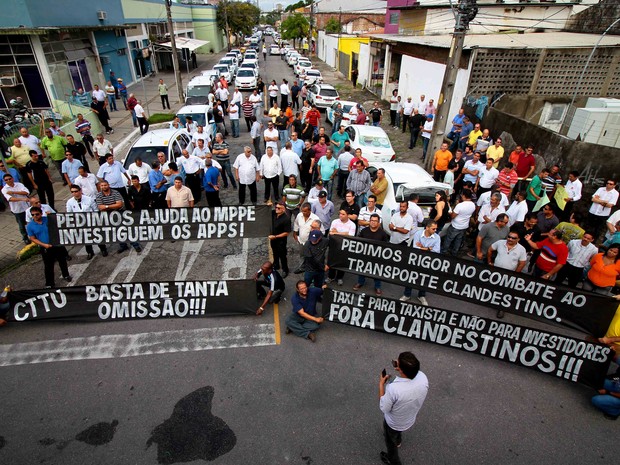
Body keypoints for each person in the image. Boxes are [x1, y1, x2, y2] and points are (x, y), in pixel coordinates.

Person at [379, 352, 428, 465]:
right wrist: (402, 369)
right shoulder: (423, 378)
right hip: (409, 418)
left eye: (398, 363)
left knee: (390, 442)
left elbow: (384, 408)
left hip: (393, 422)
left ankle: (393, 461)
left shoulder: (393, 389)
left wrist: (381, 384)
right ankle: (398, 441)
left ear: (401, 370)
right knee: (397, 432)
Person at [27, 206, 72, 288]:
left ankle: (66, 275)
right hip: (45, 247)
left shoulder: (48, 219)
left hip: (56, 244)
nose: (35, 216)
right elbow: (32, 238)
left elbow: (59, 223)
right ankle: (50, 283)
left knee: (62, 261)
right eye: (32, 215)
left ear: (41, 213)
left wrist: (52, 215)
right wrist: (44, 245)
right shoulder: (30, 226)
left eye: (37, 214)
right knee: (48, 266)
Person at [400, 220, 441, 305]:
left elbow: (436, 251)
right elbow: (415, 248)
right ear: (427, 228)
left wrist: (423, 247)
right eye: (433, 229)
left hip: (429, 262)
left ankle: (421, 295)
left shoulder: (437, 237)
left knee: (425, 279)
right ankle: (407, 294)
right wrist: (429, 248)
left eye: (436, 229)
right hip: (416, 260)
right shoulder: (418, 234)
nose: (435, 231)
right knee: (411, 277)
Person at [66, 184, 108, 259]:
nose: (74, 193)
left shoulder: (89, 199)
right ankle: (89, 252)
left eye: (76, 191)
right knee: (86, 239)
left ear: (80, 191)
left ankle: (103, 249)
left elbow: (95, 210)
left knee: (97, 236)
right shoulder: (69, 202)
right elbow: (69, 213)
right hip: (80, 223)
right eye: (72, 192)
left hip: (91, 221)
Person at [354, 213, 389, 295]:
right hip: (364, 256)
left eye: (375, 221)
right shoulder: (364, 231)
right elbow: (359, 243)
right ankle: (360, 282)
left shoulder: (383, 233)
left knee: (376, 272)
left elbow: (386, 246)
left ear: (378, 223)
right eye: (372, 221)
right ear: (369, 221)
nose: (373, 222)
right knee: (362, 270)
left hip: (377, 258)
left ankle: (377, 287)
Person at [442, 189, 476, 256]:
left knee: (449, 239)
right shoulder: (473, 205)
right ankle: (454, 253)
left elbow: (453, 216)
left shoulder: (460, 205)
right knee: (458, 240)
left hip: (456, 226)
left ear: (463, 195)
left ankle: (444, 251)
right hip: (464, 226)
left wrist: (450, 212)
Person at [2, 173, 31, 244]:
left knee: (30, 221)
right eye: (6, 180)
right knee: (21, 225)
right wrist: (22, 198)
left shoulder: (19, 185)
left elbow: (27, 192)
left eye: (10, 179)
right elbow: (10, 199)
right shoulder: (4, 189)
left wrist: (13, 192)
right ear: (4, 181)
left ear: (12, 178)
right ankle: (25, 238)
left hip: (26, 207)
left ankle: (33, 235)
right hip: (17, 210)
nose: (8, 180)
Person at [270, 202, 291, 278]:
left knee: (282, 256)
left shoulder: (286, 219)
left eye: (279, 208)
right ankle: (276, 265)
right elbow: (267, 211)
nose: (276, 209)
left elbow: (286, 233)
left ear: (283, 209)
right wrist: (269, 205)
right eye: (276, 207)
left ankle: (285, 269)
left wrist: (275, 236)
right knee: (274, 253)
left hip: (281, 241)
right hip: (273, 239)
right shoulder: (274, 213)